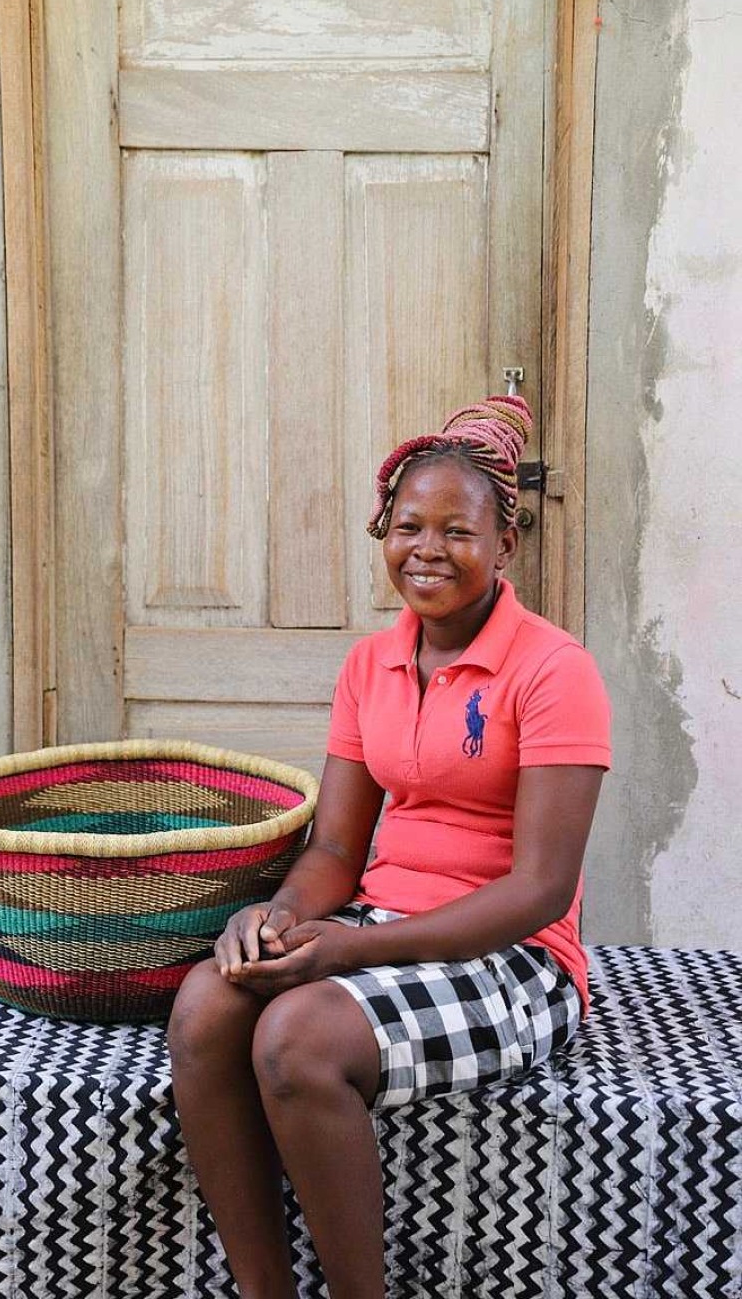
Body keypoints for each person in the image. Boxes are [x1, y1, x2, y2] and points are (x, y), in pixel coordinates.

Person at [167, 393, 611, 1299]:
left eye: (458, 529)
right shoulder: (370, 666)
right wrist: (278, 917)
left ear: (505, 546)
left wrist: (350, 949)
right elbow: (335, 843)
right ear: (383, 530)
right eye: (409, 524)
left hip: (512, 957)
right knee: (208, 1004)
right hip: (378, 923)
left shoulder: (554, 669)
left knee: (296, 1038)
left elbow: (539, 886)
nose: (429, 548)